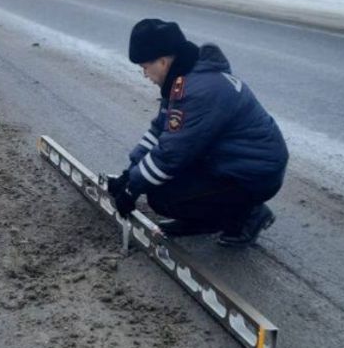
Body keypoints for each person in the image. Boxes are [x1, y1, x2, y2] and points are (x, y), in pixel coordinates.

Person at [105, 18, 289, 247]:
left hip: (254, 174)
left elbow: (170, 155)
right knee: (159, 179)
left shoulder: (197, 90)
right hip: (233, 162)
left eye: (144, 67)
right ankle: (228, 210)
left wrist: (132, 189)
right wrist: (129, 172)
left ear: (162, 61)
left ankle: (246, 216)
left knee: (163, 196)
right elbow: (160, 132)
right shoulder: (184, 78)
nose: (144, 74)